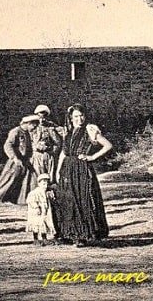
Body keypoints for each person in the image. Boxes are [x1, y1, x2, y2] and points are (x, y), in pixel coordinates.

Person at [54, 103, 113, 246]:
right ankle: (69, 233)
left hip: (82, 169)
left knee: (83, 199)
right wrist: (57, 170)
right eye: (75, 116)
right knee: (68, 200)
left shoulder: (90, 129)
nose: (79, 119)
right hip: (67, 168)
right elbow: (63, 153)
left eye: (81, 115)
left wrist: (92, 157)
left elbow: (108, 145)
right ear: (70, 117)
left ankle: (83, 235)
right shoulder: (68, 132)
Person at [0, 115, 39, 216]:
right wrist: (14, 158)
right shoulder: (16, 131)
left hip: (25, 163)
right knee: (7, 184)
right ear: (28, 124)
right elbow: (7, 145)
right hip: (15, 165)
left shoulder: (26, 133)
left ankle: (31, 209)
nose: (34, 128)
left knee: (31, 184)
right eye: (33, 125)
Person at [31, 104, 61, 181]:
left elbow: (57, 142)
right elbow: (27, 141)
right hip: (36, 156)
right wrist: (35, 147)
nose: (42, 120)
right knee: (37, 178)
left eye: (44, 117)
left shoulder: (51, 127)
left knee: (49, 178)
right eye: (40, 117)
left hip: (48, 155)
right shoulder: (32, 128)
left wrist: (51, 151)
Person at [25, 175, 55, 246]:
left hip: (45, 212)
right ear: (39, 184)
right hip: (37, 212)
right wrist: (36, 207)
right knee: (36, 225)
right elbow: (31, 201)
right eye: (43, 184)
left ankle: (44, 238)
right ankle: (35, 239)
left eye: (47, 184)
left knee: (44, 224)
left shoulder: (46, 192)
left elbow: (51, 199)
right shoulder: (35, 192)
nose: (45, 186)